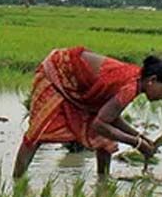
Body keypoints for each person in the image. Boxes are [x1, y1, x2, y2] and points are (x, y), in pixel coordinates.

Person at [13, 48, 162, 178]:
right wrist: (137, 143)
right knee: (37, 134)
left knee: (105, 141)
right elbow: (100, 124)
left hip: (79, 87)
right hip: (58, 73)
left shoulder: (135, 80)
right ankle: (17, 182)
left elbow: (111, 117)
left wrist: (140, 137)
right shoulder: (130, 87)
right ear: (152, 80)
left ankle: (102, 182)